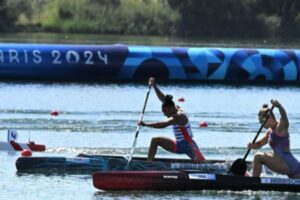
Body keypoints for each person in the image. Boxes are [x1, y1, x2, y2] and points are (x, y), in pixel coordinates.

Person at [138, 77, 205, 162]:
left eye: (165, 111)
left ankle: (223, 166)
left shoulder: (179, 115)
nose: (164, 114)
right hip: (178, 144)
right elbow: (164, 99)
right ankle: (149, 164)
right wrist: (154, 85)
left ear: (170, 108)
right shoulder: (174, 107)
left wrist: (146, 124)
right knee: (155, 140)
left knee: (204, 164)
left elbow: (163, 124)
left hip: (188, 145)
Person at [247, 99, 300, 178]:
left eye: (262, 120)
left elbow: (284, 117)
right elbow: (259, 144)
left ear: (270, 117)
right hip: (292, 166)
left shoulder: (280, 127)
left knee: (257, 157)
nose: (261, 123)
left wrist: (279, 106)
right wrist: (252, 145)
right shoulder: (270, 131)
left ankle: (253, 181)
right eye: (259, 121)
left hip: (287, 163)